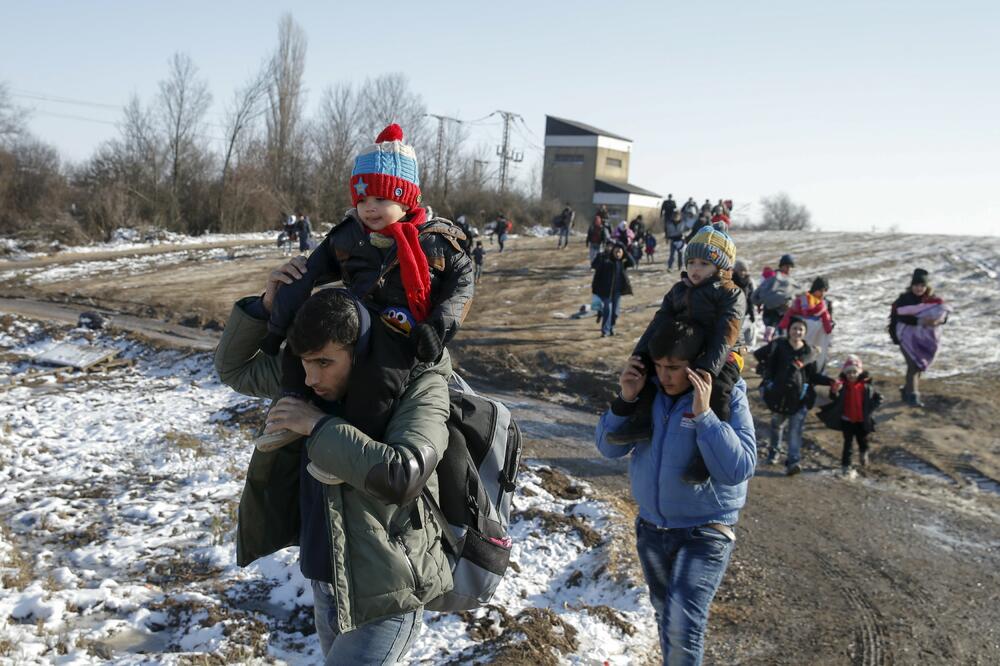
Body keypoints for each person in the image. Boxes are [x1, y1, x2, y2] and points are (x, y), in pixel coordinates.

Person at [214, 267, 453, 664]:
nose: (310, 378)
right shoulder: (305, 371)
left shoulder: (419, 384)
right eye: (304, 362)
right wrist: (264, 306)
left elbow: (402, 473)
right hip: (328, 581)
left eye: (324, 363)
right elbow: (234, 369)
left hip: (388, 592)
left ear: (358, 350)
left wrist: (317, 425)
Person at [257, 123, 473, 450]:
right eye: (363, 198)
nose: (369, 207)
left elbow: (461, 290)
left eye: (381, 197)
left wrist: (436, 330)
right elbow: (307, 272)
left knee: (377, 376)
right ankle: (289, 406)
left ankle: (353, 443)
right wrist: (278, 326)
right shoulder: (349, 235)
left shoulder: (437, 243)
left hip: (407, 333)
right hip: (355, 321)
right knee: (303, 339)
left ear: (407, 201)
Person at [596, 320, 756, 664]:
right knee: (666, 618)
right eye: (659, 366)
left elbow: (739, 468)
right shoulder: (650, 391)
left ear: (696, 365)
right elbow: (607, 449)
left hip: (706, 529)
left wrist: (706, 416)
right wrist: (625, 399)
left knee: (684, 624)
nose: (665, 376)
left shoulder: (727, 394)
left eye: (674, 368)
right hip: (652, 529)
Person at [633, 224, 746, 424]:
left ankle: (714, 436)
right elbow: (658, 324)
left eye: (704, 263)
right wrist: (640, 355)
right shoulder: (679, 290)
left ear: (721, 267)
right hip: (688, 348)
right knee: (650, 369)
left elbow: (727, 332)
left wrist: (709, 369)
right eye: (691, 262)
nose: (695, 268)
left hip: (723, 353)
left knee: (717, 388)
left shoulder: (730, 293)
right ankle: (640, 420)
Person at [753, 317, 834, 475]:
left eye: (801, 329)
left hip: (799, 398)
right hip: (778, 395)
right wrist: (768, 372)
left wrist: (830, 382)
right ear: (789, 330)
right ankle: (774, 453)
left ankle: (793, 462)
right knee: (777, 425)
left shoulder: (808, 352)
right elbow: (758, 354)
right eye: (794, 328)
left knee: (795, 430)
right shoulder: (779, 345)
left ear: (805, 333)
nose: (797, 332)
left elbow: (813, 376)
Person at [889, 268, 949, 407]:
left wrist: (937, 321)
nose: (919, 288)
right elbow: (899, 317)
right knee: (913, 366)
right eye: (916, 285)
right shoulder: (903, 299)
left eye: (922, 285)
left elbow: (943, 316)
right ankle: (913, 397)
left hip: (925, 340)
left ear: (927, 286)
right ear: (912, 285)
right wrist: (920, 322)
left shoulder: (934, 301)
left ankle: (907, 389)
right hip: (906, 338)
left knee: (919, 366)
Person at [818, 354, 883, 475]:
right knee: (847, 444)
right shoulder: (842, 386)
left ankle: (864, 454)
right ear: (844, 374)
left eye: (854, 372)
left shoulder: (866, 386)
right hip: (847, 419)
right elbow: (833, 397)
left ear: (859, 372)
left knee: (862, 440)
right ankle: (846, 465)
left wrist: (871, 408)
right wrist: (834, 391)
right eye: (849, 373)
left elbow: (878, 397)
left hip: (862, 420)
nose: (851, 375)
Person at [778, 276, 835, 372]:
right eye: (821, 290)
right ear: (816, 289)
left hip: (817, 337)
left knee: (813, 354)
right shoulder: (803, 299)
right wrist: (782, 326)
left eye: (825, 290)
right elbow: (790, 313)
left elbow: (828, 319)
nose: (823, 293)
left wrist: (829, 328)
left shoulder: (826, 303)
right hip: (799, 333)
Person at [591, 242, 636, 337]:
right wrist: (595, 290)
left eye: (620, 252)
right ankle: (605, 331)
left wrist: (626, 251)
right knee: (608, 311)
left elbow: (633, 262)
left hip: (617, 292)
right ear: (613, 252)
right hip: (605, 292)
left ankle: (611, 329)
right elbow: (597, 275)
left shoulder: (622, 263)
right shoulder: (606, 262)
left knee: (615, 313)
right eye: (616, 252)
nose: (618, 254)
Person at [751, 254, 798, 342]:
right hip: (773, 315)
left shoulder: (785, 280)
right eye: (787, 266)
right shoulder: (773, 279)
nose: (789, 269)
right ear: (782, 266)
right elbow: (755, 296)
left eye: (791, 267)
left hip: (780, 315)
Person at [732, 260, 756, 353]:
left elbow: (750, 299)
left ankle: (743, 352)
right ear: (735, 270)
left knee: (745, 335)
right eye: (740, 270)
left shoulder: (748, 282)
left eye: (744, 270)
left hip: (744, 312)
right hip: (733, 312)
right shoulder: (731, 280)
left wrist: (752, 313)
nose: (742, 272)